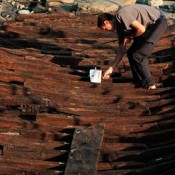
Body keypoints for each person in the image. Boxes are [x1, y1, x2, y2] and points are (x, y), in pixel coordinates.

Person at [97, 4, 168, 89]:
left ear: (106, 22)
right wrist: (110, 70)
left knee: (139, 54)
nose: (106, 31)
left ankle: (150, 84)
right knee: (131, 53)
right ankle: (139, 81)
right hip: (147, 27)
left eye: (104, 28)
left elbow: (141, 29)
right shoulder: (120, 30)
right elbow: (121, 52)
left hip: (157, 22)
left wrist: (130, 36)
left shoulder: (121, 15)